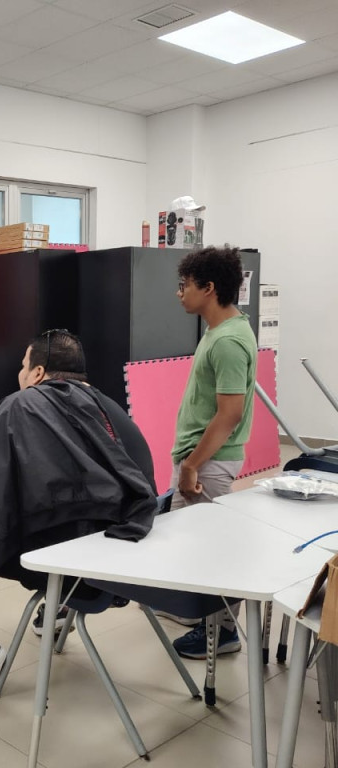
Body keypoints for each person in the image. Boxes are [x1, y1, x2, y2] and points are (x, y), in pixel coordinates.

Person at [0, 330, 157, 692]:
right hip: (122, 568)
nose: (20, 374)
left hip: (69, 570)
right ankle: (60, 607)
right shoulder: (111, 410)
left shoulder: (21, 407)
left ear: (37, 372)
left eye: (23, 366)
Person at [163, 245, 257, 659]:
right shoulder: (220, 331)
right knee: (186, 539)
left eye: (184, 285)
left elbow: (229, 414)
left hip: (209, 462)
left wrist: (192, 465)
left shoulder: (228, 341)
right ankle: (199, 611)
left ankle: (223, 632)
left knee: (213, 547)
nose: (179, 293)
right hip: (200, 457)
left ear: (209, 288)